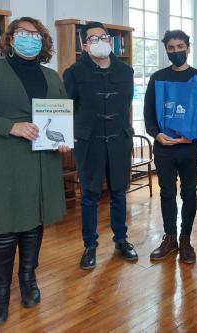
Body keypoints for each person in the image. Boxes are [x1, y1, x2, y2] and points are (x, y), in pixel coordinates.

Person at [0, 17, 69, 325]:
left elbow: (59, 115)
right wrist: (11, 127)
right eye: (23, 33)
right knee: (4, 227)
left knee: (34, 222)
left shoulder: (51, 75)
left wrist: (63, 139)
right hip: (2, 159)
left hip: (41, 160)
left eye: (35, 34)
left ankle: (28, 278)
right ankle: (1, 292)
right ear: (11, 37)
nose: (29, 38)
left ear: (43, 41)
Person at [63, 21, 137, 270]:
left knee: (119, 192)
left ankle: (121, 240)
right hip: (88, 141)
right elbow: (67, 106)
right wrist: (67, 133)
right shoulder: (74, 72)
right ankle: (90, 246)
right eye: (93, 39)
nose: (100, 41)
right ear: (84, 46)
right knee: (90, 195)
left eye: (103, 37)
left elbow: (126, 103)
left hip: (119, 139)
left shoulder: (126, 72)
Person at [144, 29, 197, 264]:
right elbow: (148, 113)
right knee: (167, 193)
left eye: (180, 47)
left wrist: (194, 136)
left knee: (189, 192)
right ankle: (170, 237)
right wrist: (157, 135)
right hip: (164, 148)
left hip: (189, 148)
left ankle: (185, 239)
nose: (176, 51)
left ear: (188, 48)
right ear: (166, 50)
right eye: (171, 48)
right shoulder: (157, 78)